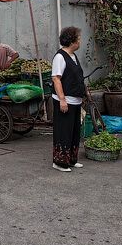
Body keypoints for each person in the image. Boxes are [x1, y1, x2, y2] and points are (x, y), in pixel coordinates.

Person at [51, 26, 86, 172]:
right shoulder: (60, 56)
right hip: (65, 101)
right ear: (72, 41)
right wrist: (62, 100)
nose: (80, 41)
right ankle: (59, 162)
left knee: (74, 131)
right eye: (78, 38)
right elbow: (56, 79)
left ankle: (71, 159)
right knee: (63, 131)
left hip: (75, 100)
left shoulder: (73, 55)